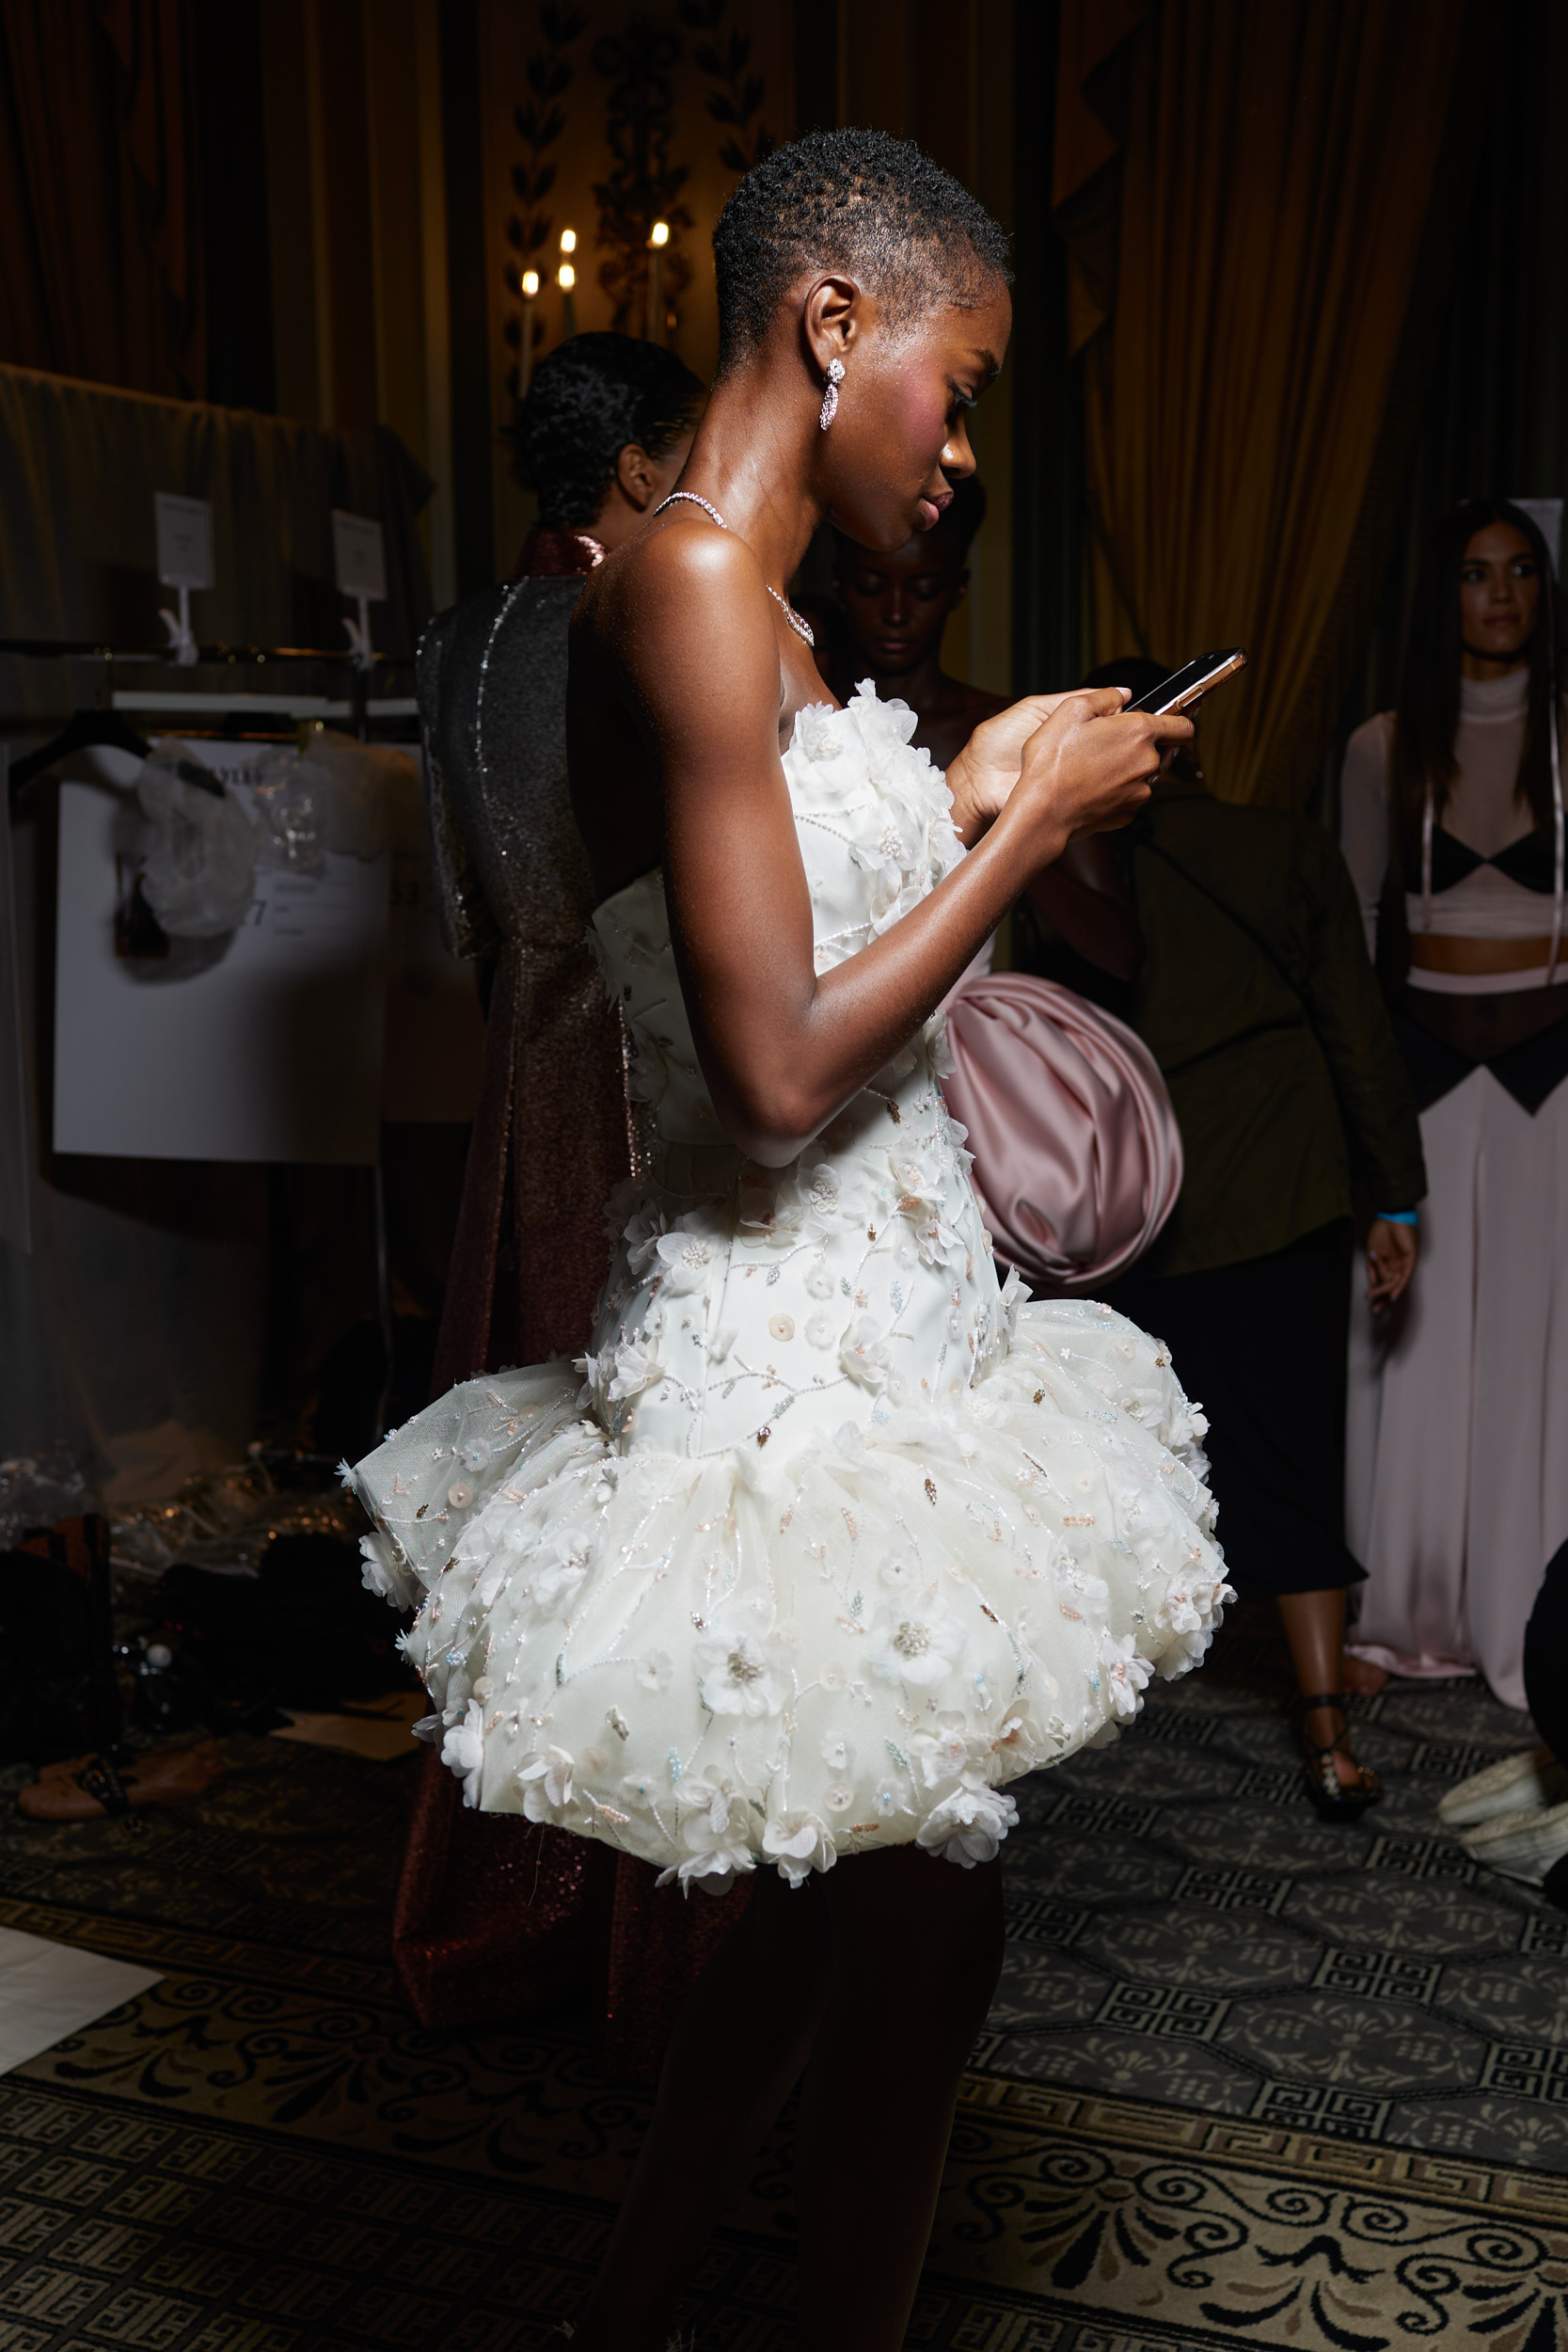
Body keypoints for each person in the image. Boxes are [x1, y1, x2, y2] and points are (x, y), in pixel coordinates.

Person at [350, 131, 1229, 2346]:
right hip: (789, 1361)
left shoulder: (760, 605)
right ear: (837, 321)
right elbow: (765, 1068)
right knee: (926, 1944)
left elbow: (803, 891)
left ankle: (635, 2302)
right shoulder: (683, 580)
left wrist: (966, 780)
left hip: (902, 1323)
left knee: (827, 1929)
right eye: (961, 379)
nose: (961, 441)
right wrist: (1022, 835)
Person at [397, 334, 709, 2042]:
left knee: (528, 1490)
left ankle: (516, 1899)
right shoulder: (647, 616)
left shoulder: (451, 643)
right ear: (646, 465)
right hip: (650, 1076)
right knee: (654, 1487)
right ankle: (659, 1935)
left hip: (518, 1081)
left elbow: (463, 910)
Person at [1090, 657, 1426, 1817]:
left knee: (1149, 1448)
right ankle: (1326, 1725)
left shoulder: (1063, 874)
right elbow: (1355, 1029)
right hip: (1280, 1186)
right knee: (1294, 1448)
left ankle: (1106, 1696)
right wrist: (1393, 1200)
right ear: (1190, 742)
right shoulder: (1280, 847)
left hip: (1136, 1203)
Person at [1340, 500, 1568, 1711]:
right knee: (1415, 1351)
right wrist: (1376, 1132)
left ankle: (1530, 1613)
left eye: (1519, 571)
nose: (1498, 593)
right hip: (1425, 1079)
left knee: (1540, 1351)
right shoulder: (1383, 746)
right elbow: (1354, 946)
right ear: (1443, 596)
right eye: (1475, 573)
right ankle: (1406, 1609)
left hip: (1553, 1086)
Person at [830, 476, 1142, 999]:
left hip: (964, 1036)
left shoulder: (1015, 730)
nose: (898, 612)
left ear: (957, 589)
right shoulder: (811, 724)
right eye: (871, 586)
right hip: (827, 1014)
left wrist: (1018, 834)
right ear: (839, 583)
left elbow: (1122, 951)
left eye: (924, 589)